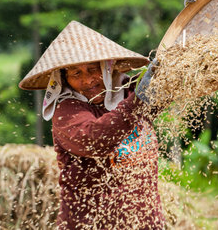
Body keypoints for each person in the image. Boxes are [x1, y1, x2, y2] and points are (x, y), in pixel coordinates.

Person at [19, 21, 164, 229]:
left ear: (107, 67)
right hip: (90, 224)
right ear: (64, 79)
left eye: (93, 69)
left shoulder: (130, 92)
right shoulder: (67, 111)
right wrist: (137, 101)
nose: (87, 80)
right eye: (76, 73)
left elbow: (177, 85)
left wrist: (194, 24)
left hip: (146, 223)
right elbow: (95, 140)